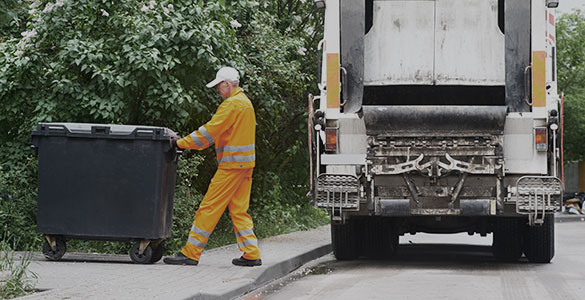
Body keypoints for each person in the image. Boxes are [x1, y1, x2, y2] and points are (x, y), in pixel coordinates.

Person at [163, 66, 261, 267]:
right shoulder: (246, 103)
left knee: (209, 207)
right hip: (245, 166)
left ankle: (191, 253)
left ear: (227, 84)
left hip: (231, 166)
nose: (217, 90)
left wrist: (180, 143)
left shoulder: (231, 104)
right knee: (239, 210)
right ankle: (251, 253)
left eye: (219, 86)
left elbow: (209, 132)